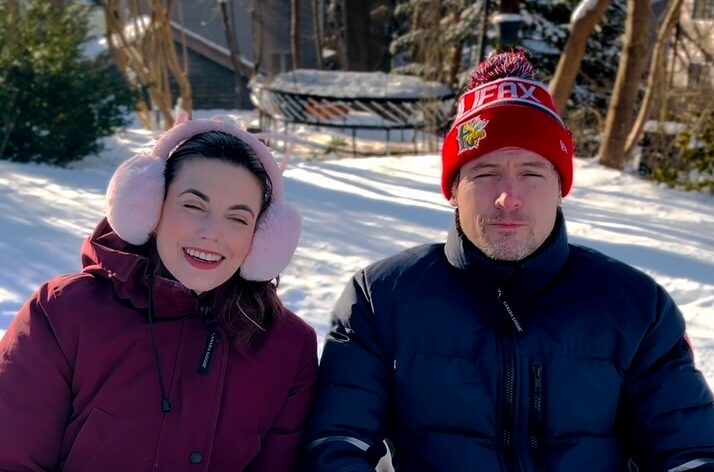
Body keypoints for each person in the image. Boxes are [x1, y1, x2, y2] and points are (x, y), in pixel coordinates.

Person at [302, 51, 714, 471]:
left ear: (560, 188)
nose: (508, 197)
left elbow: (692, 454)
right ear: (452, 190)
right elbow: (336, 444)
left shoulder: (638, 307)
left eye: (532, 174)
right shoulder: (380, 299)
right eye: (485, 174)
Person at [0, 117, 317, 471]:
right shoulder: (61, 315)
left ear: (262, 240)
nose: (212, 233)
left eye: (238, 219)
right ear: (150, 209)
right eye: (193, 206)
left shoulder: (288, 346)